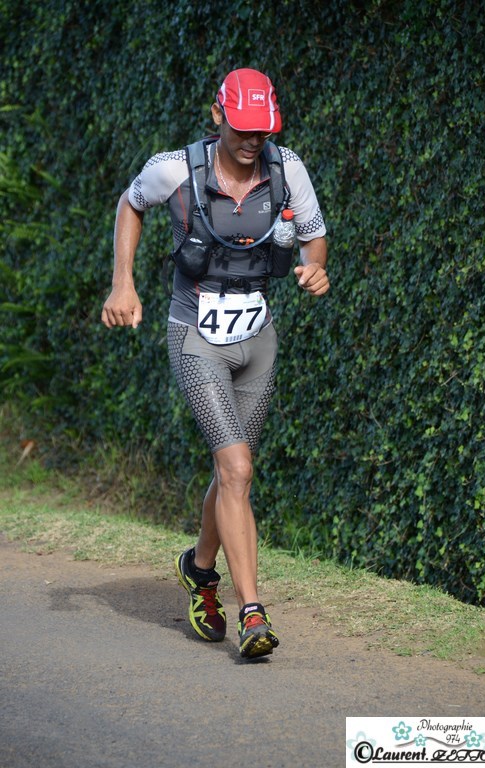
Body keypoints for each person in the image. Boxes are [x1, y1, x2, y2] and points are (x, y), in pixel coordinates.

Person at [101, 68, 329, 660]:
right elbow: (130, 204)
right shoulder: (175, 168)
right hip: (195, 336)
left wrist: (315, 266)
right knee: (236, 468)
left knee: (236, 473)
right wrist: (123, 282)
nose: (253, 141)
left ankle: (199, 569)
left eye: (263, 131)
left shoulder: (289, 169)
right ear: (218, 115)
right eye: (242, 128)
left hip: (259, 339)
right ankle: (252, 613)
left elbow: (314, 235)